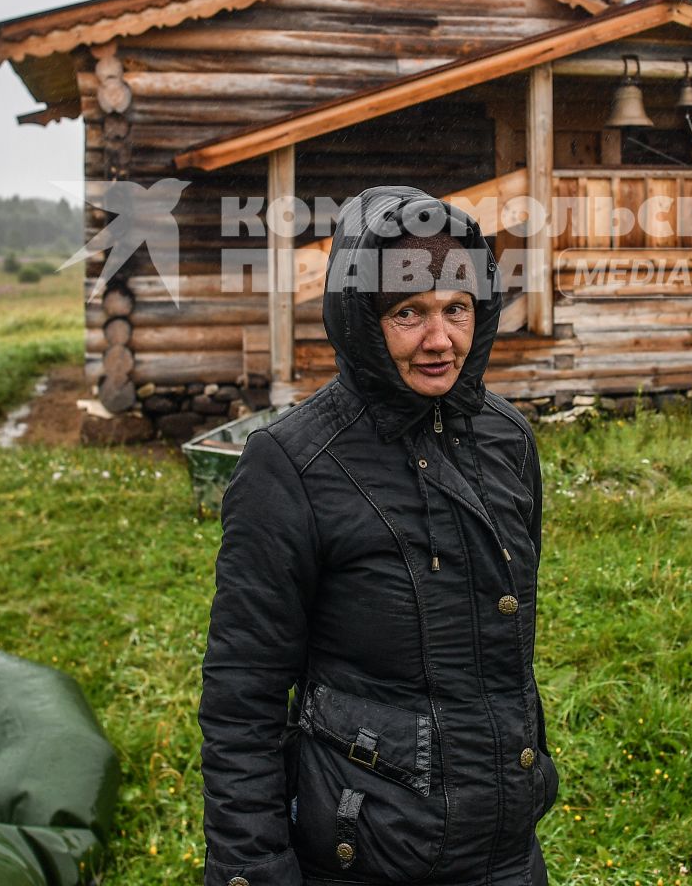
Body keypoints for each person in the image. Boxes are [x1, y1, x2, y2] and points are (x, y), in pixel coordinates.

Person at [200, 185, 557, 886]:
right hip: (368, 857)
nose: (439, 339)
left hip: (506, 852)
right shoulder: (293, 466)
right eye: (408, 313)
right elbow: (243, 702)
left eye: (457, 308)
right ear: (361, 318)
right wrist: (252, 869)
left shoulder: (505, 439)